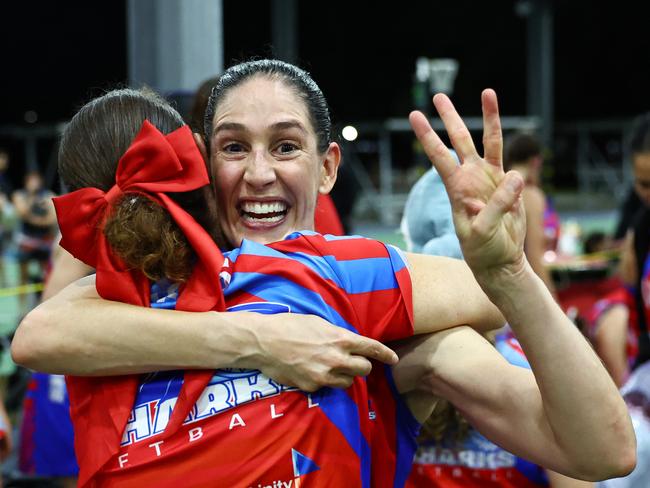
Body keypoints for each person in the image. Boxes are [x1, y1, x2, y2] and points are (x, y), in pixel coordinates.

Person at [12, 61, 634, 484]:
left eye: (285, 146)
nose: (258, 173)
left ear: (328, 167)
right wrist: (260, 342)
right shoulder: (133, 300)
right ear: (196, 167)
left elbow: (604, 452)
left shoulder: (352, 283)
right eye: (233, 148)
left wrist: (510, 273)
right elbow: (39, 336)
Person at [502, 132, 558, 297]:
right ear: (536, 161)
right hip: (516, 292)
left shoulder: (495, 188)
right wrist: (555, 306)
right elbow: (534, 258)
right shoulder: (531, 195)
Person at [10, 170, 57, 310]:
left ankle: (44, 305)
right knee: (22, 278)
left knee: (46, 275)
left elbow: (52, 219)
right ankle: (22, 309)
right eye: (31, 180)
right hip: (26, 241)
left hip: (44, 241)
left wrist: (35, 219)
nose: (34, 183)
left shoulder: (48, 196)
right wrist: (32, 198)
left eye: (36, 180)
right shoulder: (19, 195)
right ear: (26, 182)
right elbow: (22, 212)